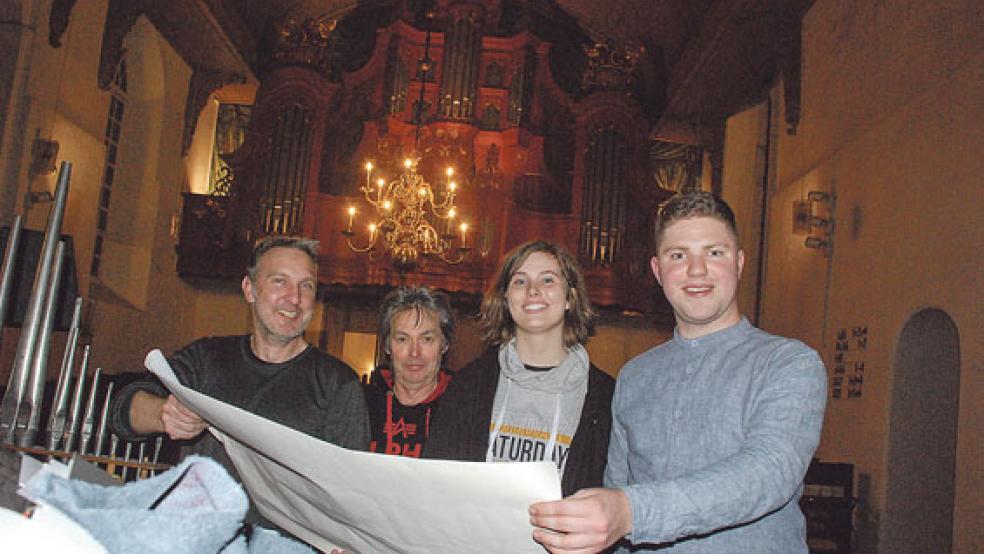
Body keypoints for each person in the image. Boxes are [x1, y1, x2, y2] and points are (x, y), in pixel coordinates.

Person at [529, 191, 827, 553]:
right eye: (678, 255)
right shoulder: (635, 376)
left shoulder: (789, 363)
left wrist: (631, 511)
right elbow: (618, 488)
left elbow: (768, 471)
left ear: (739, 263)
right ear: (657, 271)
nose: (696, 270)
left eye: (714, 253)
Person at [109, 235, 370, 530]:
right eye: (279, 281)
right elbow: (123, 409)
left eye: (306, 286)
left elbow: (352, 491)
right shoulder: (207, 358)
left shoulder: (338, 383)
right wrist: (161, 413)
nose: (294, 298)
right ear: (249, 289)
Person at [424, 241, 615, 497]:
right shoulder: (468, 385)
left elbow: (613, 496)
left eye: (548, 280)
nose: (533, 291)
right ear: (505, 298)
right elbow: (436, 483)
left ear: (570, 297)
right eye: (520, 281)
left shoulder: (605, 397)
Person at [364, 286, 455, 457]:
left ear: (444, 344)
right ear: (387, 345)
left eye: (426, 339)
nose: (414, 352)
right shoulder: (360, 405)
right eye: (402, 339)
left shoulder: (463, 411)